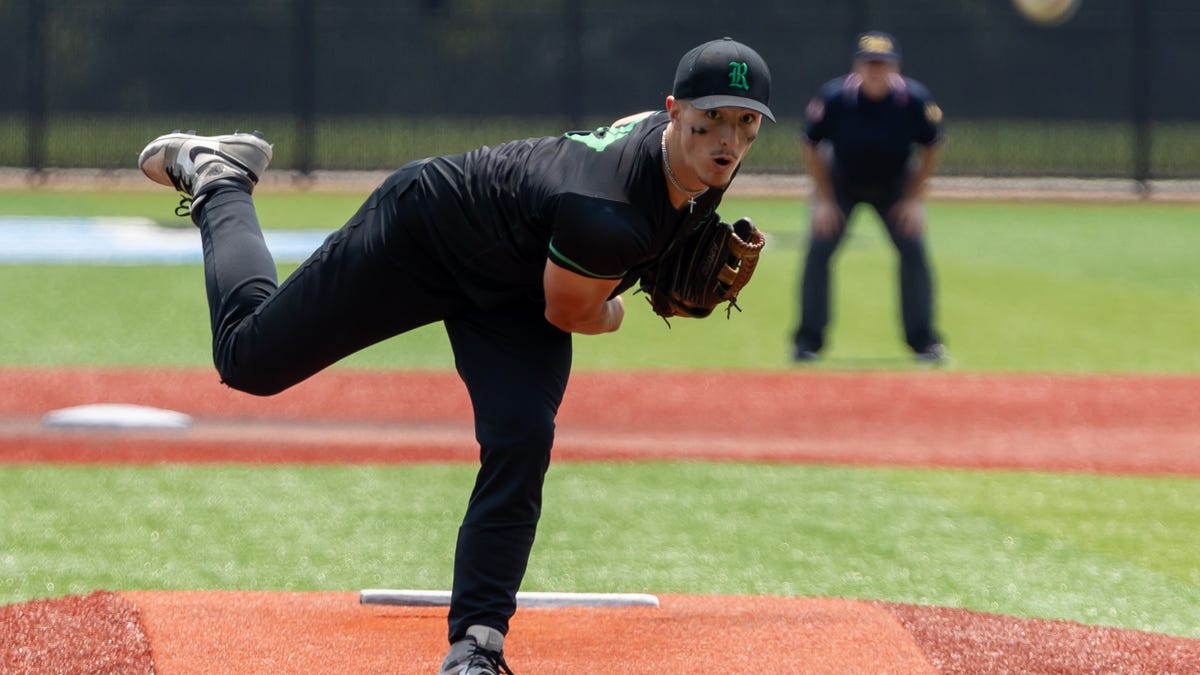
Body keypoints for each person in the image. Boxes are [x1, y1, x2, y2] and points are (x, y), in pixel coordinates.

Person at [138, 37, 773, 675]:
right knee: (250, 359)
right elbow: (576, 312)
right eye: (709, 120)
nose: (728, 141)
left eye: (745, 123)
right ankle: (219, 177)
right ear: (673, 111)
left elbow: (623, 180)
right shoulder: (605, 213)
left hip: (517, 286)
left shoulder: (696, 161)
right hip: (428, 234)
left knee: (522, 437)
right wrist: (629, 300)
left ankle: (477, 645)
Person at [791, 30, 947, 364]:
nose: (876, 70)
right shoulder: (835, 98)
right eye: (870, 63)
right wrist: (825, 200)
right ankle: (807, 342)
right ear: (856, 67)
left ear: (896, 67)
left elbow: (933, 144)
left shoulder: (915, 100)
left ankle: (924, 341)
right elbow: (810, 142)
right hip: (842, 182)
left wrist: (913, 198)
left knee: (914, 250)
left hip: (895, 186)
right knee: (818, 250)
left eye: (883, 64)